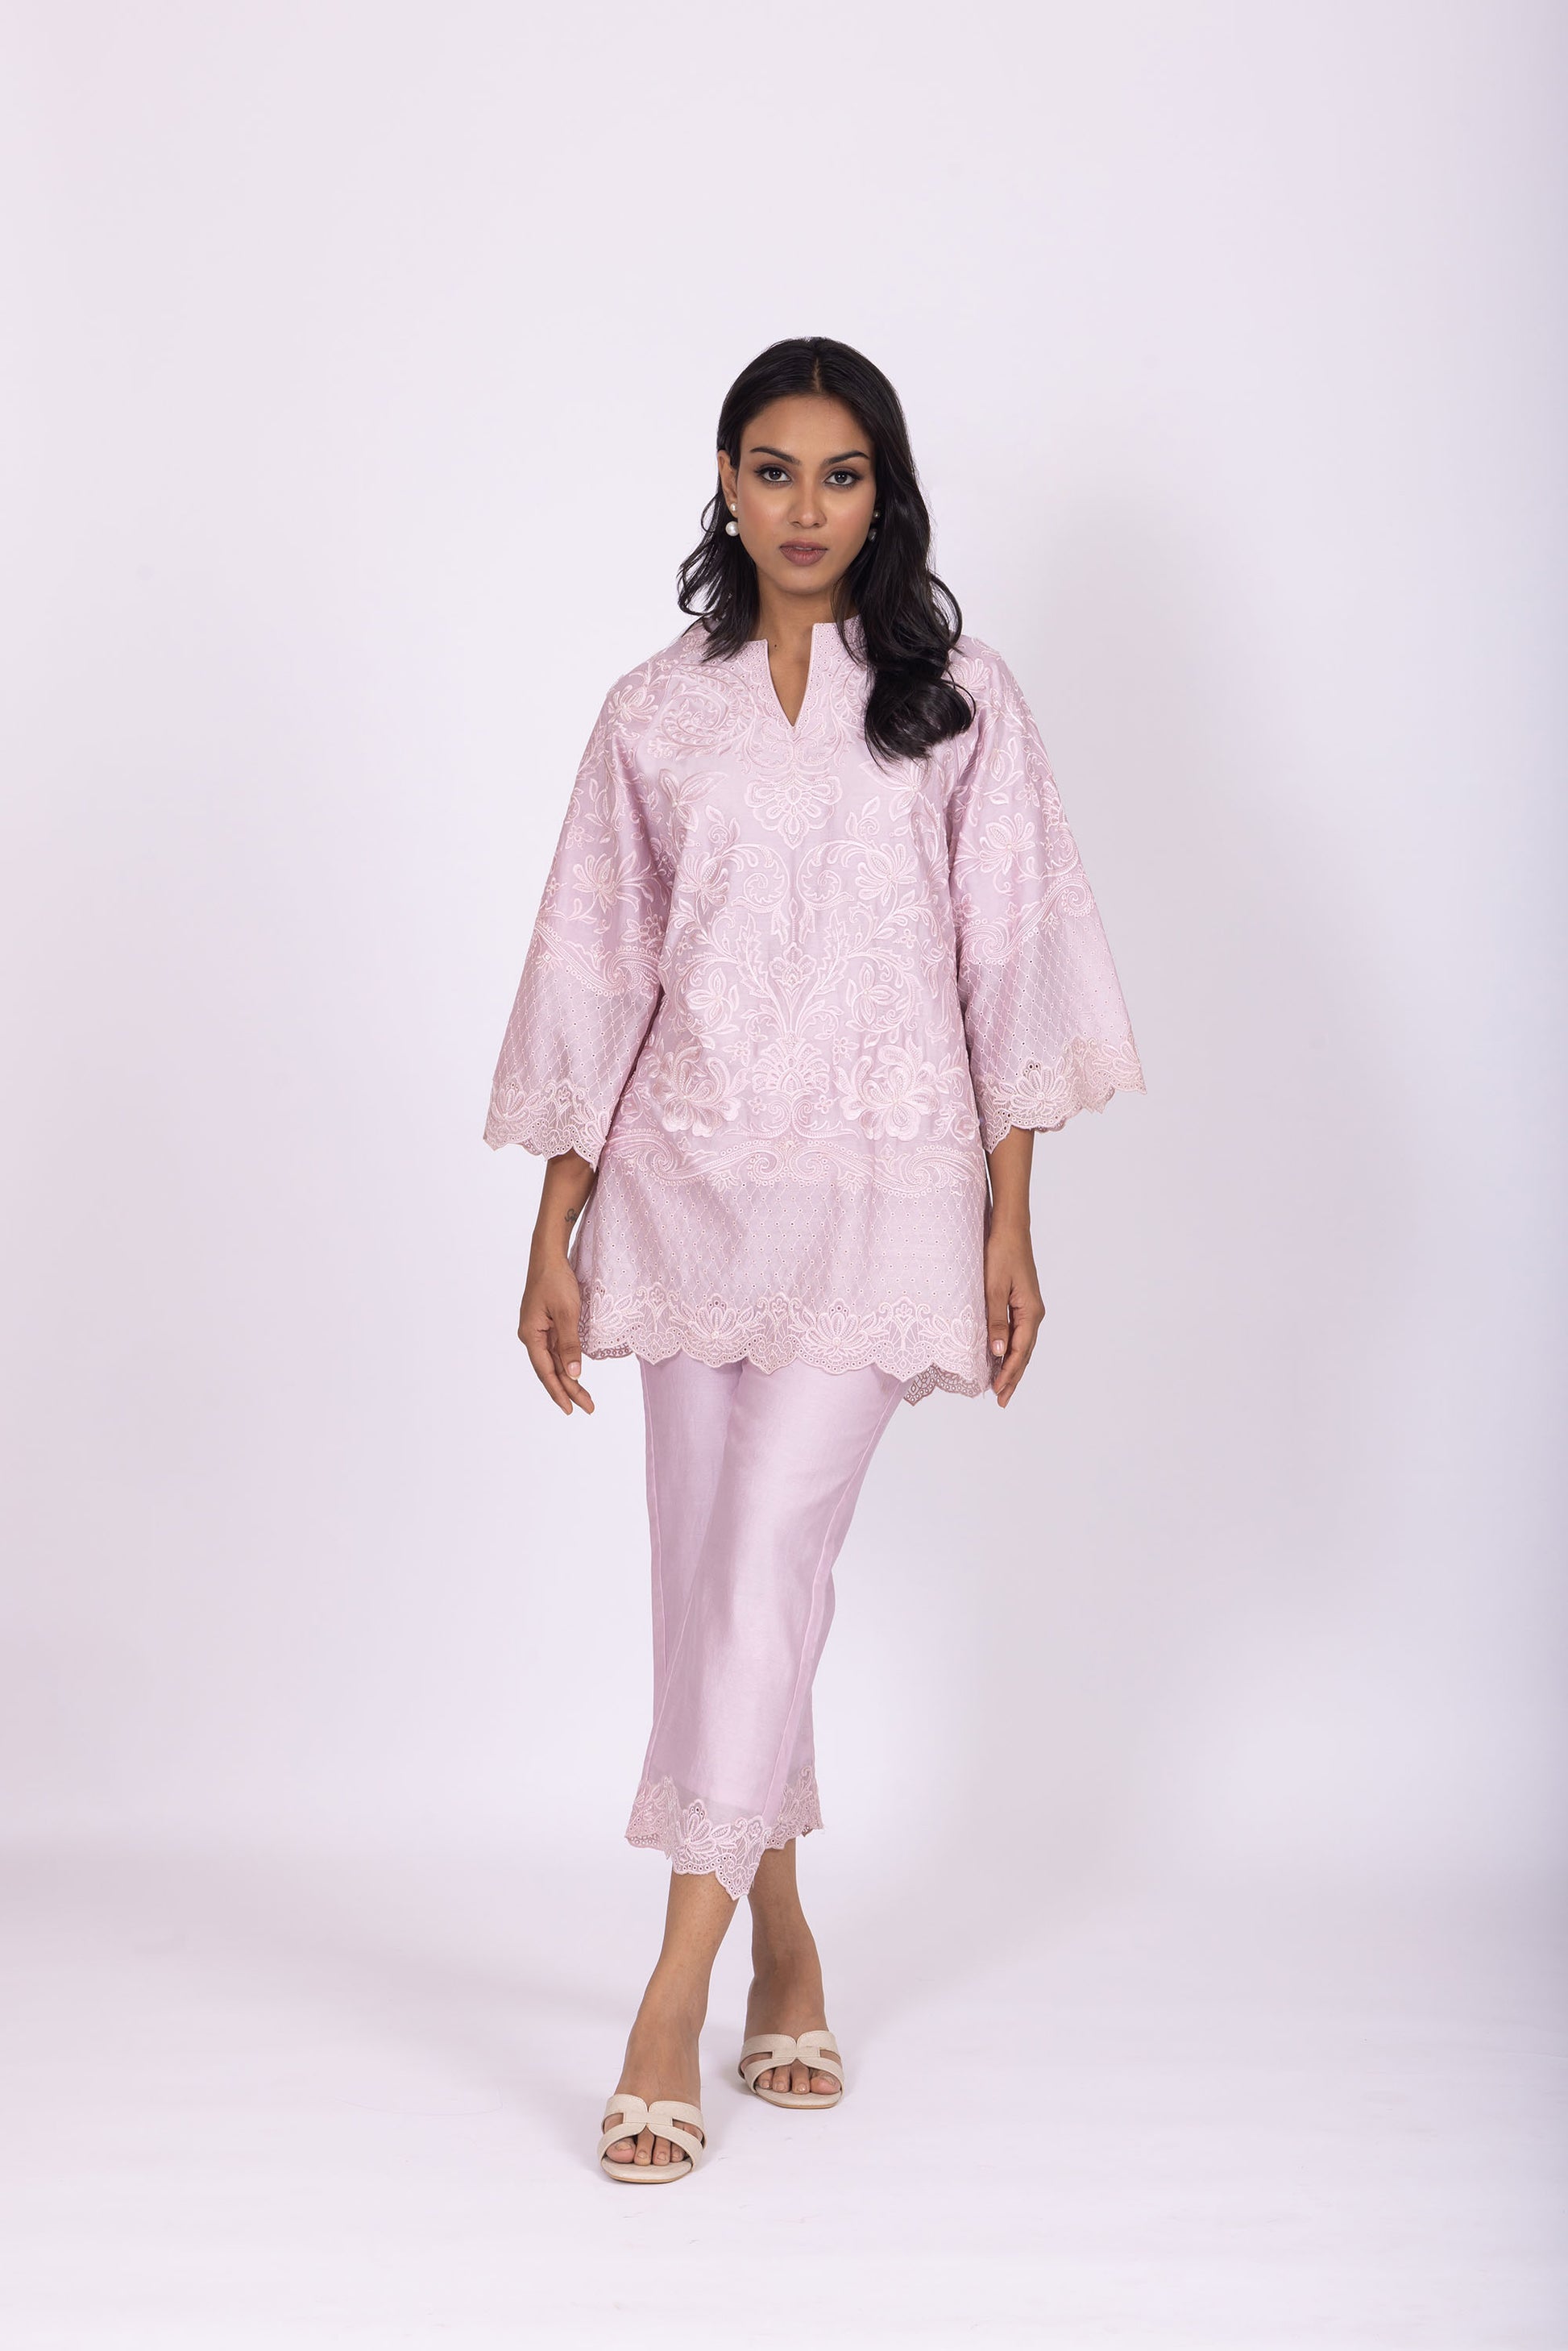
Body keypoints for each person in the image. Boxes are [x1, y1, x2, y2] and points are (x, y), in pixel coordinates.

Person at [484, 336, 1143, 2183]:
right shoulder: (653, 714)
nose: (803, 507)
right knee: (707, 1576)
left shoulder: (959, 706)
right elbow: (600, 971)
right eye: (772, 471)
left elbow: (1009, 965)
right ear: (725, 480)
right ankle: (783, 1940)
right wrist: (552, 1225)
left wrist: (1013, 1219)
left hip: (885, 1201)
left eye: (840, 474)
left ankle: (668, 1993)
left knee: (769, 1556)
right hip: (682, 1192)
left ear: (884, 492)